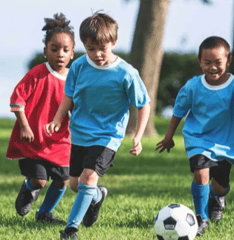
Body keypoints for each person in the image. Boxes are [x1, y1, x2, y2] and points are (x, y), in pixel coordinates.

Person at [46, 12, 151, 239]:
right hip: (81, 133)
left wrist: (138, 136)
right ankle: (97, 196)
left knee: (88, 178)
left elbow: (143, 105)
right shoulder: (79, 67)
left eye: (102, 48)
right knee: (76, 184)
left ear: (113, 42)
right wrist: (57, 119)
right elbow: (68, 96)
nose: (97, 54)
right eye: (91, 49)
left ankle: (70, 229)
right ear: (83, 45)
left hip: (108, 136)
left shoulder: (126, 73)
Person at [156, 36, 234, 236]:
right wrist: (168, 136)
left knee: (220, 186)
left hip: (226, 143)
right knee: (200, 173)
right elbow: (178, 111)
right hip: (198, 139)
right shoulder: (192, 86)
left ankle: (217, 198)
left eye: (218, 63)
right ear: (199, 61)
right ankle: (201, 218)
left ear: (228, 61)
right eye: (207, 63)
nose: (212, 67)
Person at [6, 13, 74, 224]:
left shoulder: (74, 79)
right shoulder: (37, 74)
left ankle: (44, 213)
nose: (60, 54)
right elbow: (17, 100)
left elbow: (79, 107)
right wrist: (25, 126)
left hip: (62, 142)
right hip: (35, 141)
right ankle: (29, 188)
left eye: (65, 50)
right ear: (46, 51)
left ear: (72, 53)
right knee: (39, 181)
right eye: (54, 49)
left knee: (62, 181)